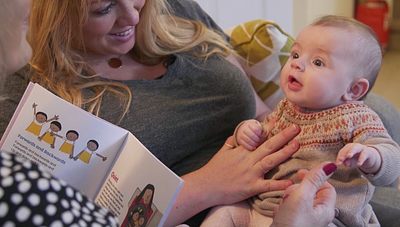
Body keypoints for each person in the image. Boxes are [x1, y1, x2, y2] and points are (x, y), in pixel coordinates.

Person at [0, 0, 398, 226]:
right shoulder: (28, 94)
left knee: (379, 114)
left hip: (301, 179)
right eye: (103, 8)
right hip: (233, 211)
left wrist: (283, 117)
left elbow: (266, 107)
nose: (133, 17)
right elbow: (78, 216)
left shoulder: (175, 9)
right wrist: (210, 185)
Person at [208, 15, 400, 226]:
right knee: (223, 212)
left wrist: (373, 156)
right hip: (263, 207)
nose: (297, 64)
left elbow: (392, 160)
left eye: (318, 62)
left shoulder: (357, 117)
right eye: (295, 54)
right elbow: (264, 136)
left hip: (328, 215)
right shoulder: (285, 108)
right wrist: (248, 131)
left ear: (353, 90)